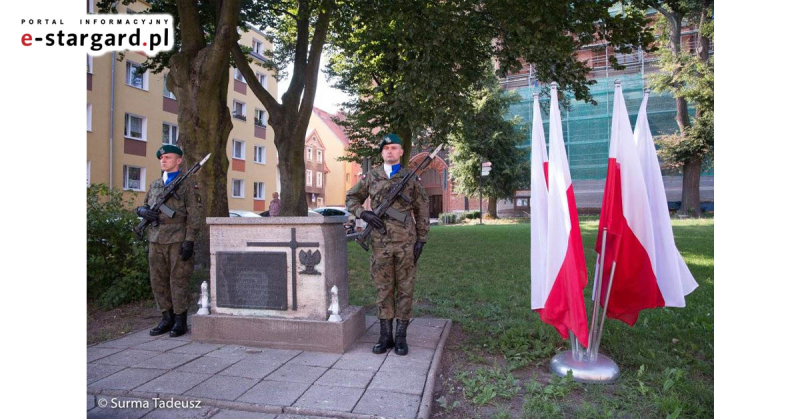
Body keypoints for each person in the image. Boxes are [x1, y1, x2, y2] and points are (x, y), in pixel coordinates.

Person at [346, 134, 429, 356]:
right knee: (383, 289)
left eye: (394, 147)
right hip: (380, 243)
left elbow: (422, 208)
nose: (390, 151)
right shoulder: (372, 176)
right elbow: (351, 198)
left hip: (406, 242)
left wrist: (422, 238)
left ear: (402, 152)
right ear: (382, 153)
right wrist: (363, 212)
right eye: (386, 149)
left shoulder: (410, 178)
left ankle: (401, 337)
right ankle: (385, 336)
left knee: (405, 288)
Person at [135, 145, 202, 337]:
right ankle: (166, 318)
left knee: (178, 280)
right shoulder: (156, 185)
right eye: (161, 157)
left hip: (177, 239)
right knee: (158, 280)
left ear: (179, 160)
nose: (163, 160)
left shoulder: (188, 184)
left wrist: (189, 241)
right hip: (155, 239)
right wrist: (141, 211)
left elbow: (194, 216)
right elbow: (147, 205)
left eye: (168, 157)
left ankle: (180, 321)